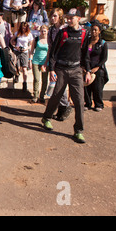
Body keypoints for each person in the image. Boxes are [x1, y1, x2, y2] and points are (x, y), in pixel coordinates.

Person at [41, 8, 92, 144]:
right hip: (61, 69)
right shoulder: (62, 32)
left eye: (71, 18)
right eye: (68, 17)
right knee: (56, 95)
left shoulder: (84, 33)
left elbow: (85, 54)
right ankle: (46, 118)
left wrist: (88, 71)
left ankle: (78, 131)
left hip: (76, 70)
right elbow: (53, 52)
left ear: (78, 19)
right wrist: (51, 69)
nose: (69, 20)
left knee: (79, 101)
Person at [46, 8, 72, 121]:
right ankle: (63, 106)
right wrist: (48, 61)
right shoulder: (51, 30)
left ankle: (64, 106)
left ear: (60, 17)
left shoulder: (65, 29)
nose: (53, 18)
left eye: (55, 16)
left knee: (60, 85)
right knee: (55, 85)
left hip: (64, 59)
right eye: (51, 16)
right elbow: (50, 47)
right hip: (54, 60)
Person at [84, 22, 109, 112]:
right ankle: (87, 103)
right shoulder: (87, 41)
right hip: (87, 67)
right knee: (86, 86)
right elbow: (84, 55)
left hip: (98, 68)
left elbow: (104, 58)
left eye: (95, 30)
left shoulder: (102, 43)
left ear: (99, 31)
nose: (93, 32)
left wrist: (97, 67)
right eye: (92, 30)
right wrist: (86, 68)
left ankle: (98, 104)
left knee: (97, 87)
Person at [11, 21, 33, 91]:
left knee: (24, 68)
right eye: (22, 28)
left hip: (24, 52)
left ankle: (24, 83)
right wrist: (15, 46)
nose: (23, 29)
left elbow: (31, 45)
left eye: (25, 28)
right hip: (17, 51)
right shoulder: (17, 33)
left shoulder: (29, 35)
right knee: (17, 66)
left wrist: (26, 48)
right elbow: (11, 41)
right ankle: (16, 75)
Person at [31, 25, 49, 103]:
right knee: (37, 79)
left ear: (47, 31)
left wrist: (47, 63)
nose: (43, 32)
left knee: (45, 80)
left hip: (45, 62)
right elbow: (31, 51)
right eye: (42, 31)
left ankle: (42, 96)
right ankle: (35, 95)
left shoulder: (49, 40)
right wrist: (30, 60)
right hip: (36, 61)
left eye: (45, 31)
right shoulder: (36, 39)